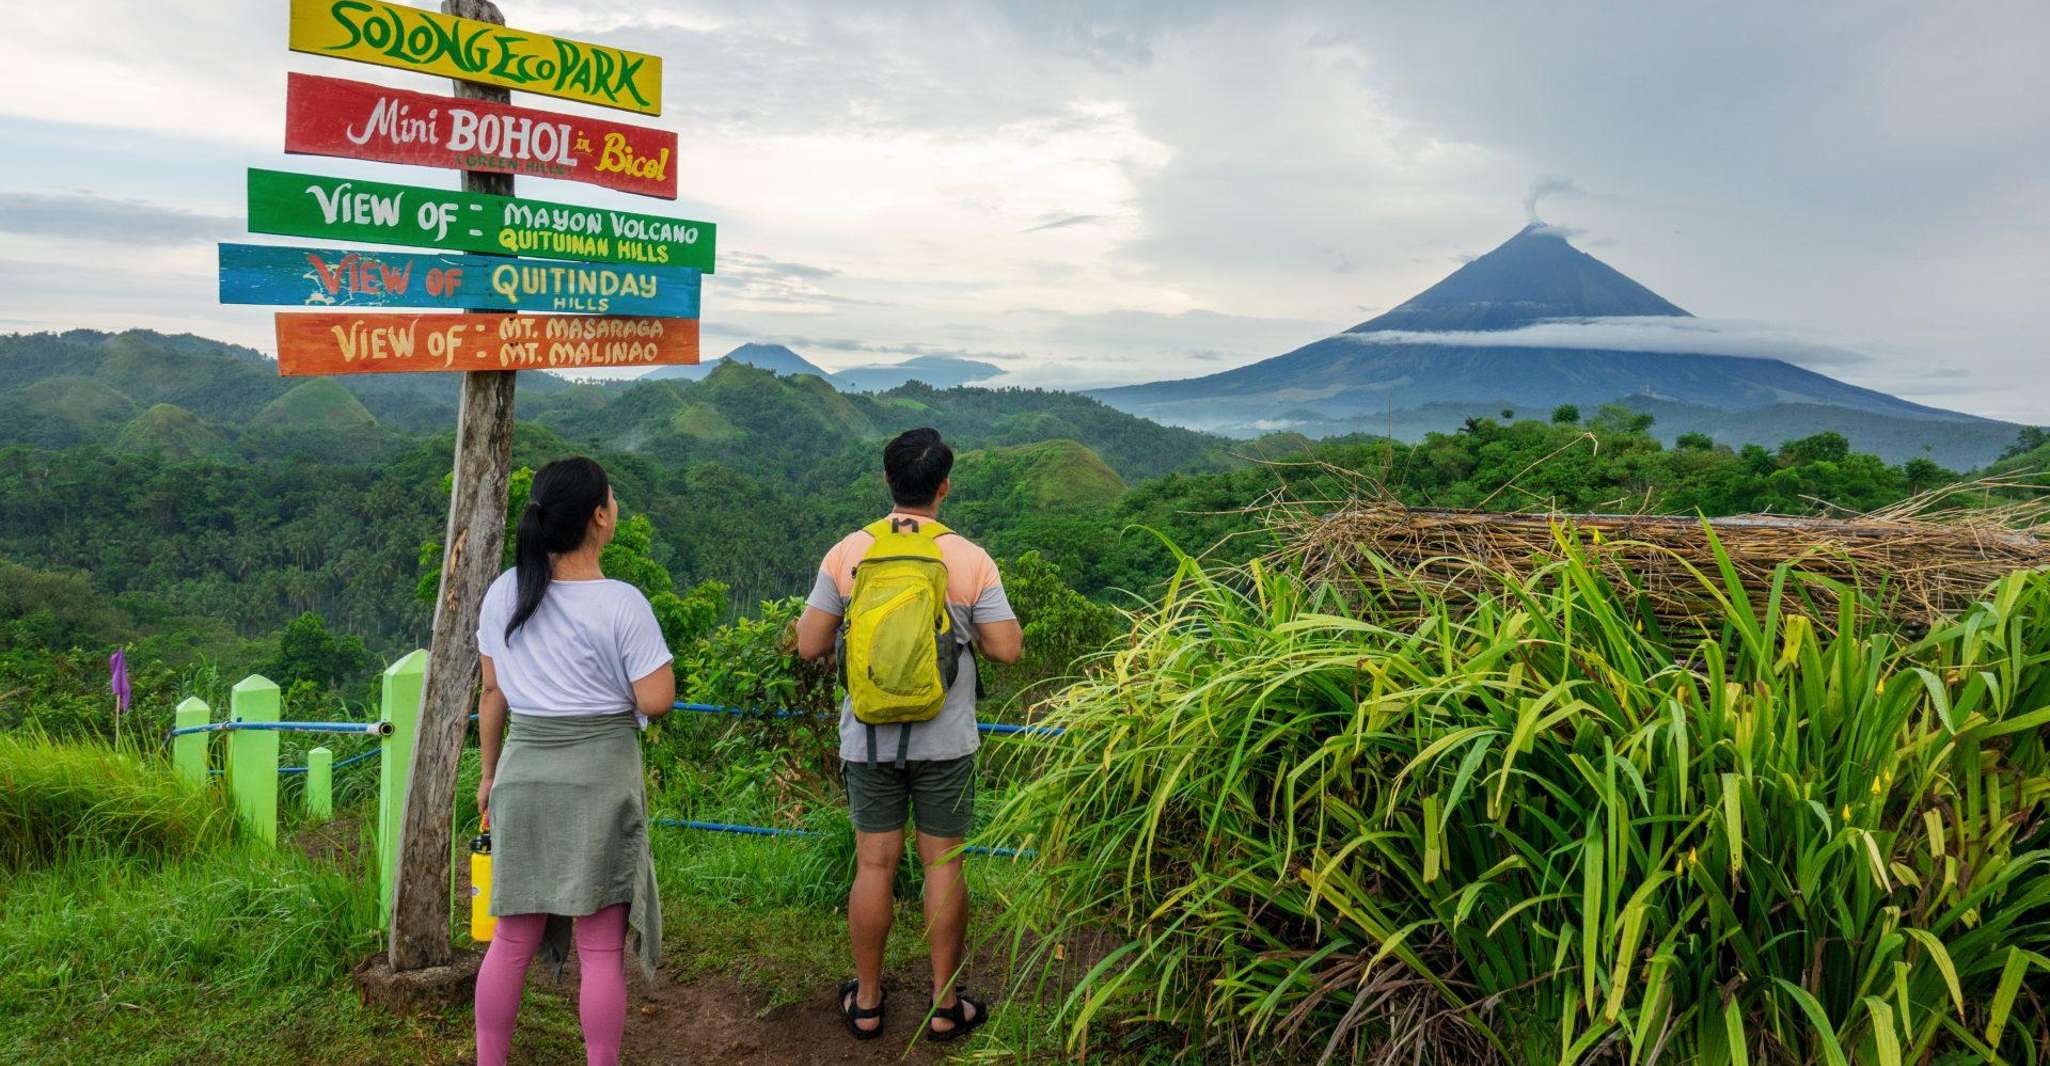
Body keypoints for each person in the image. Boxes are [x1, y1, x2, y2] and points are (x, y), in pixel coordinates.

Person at [796, 427, 1023, 1044]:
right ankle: (945, 1007)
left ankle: (867, 1003)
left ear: (887, 482)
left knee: (874, 864)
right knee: (942, 866)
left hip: (867, 738)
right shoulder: (968, 557)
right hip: (945, 741)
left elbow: (811, 642)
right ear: (944, 487)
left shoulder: (848, 553)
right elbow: (1006, 647)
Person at [472, 457, 675, 1066]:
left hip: (523, 770)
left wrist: (486, 777)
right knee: (600, 946)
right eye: (612, 499)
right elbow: (655, 699)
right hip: (599, 778)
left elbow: (492, 692)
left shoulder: (504, 592)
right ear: (599, 518)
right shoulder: (621, 602)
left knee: (510, 937)